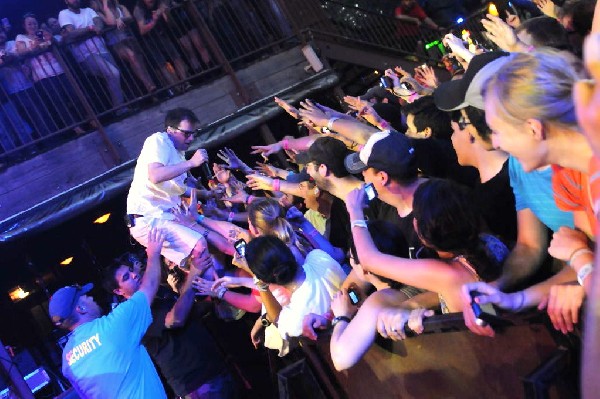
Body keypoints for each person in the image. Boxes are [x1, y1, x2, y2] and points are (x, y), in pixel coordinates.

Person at [49, 228, 167, 398]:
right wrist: (154, 252)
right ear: (80, 309)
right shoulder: (114, 325)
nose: (91, 298)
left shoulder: (67, 364)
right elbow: (150, 286)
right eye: (85, 296)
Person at [102, 250, 236, 398]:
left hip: (215, 367)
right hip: (196, 384)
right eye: (126, 277)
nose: (134, 275)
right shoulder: (136, 314)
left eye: (131, 270)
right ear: (118, 291)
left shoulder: (158, 292)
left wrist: (217, 298)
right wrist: (194, 273)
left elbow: (188, 309)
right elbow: (176, 319)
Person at [127, 107, 214, 267]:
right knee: (200, 243)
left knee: (201, 258)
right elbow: (155, 175)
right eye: (186, 133)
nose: (191, 138)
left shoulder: (178, 153)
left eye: (194, 133)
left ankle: (212, 287)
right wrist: (192, 163)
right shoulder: (159, 141)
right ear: (170, 130)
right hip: (149, 218)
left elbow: (178, 190)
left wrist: (208, 194)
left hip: (160, 216)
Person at [247, 235, 345, 356]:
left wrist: (261, 286)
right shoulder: (318, 257)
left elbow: (277, 319)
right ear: (289, 252)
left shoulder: (294, 319)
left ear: (265, 280)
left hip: (338, 350)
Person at [16, 13, 83, 133]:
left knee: (75, 94)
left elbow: (58, 44)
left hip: (60, 69)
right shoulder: (21, 38)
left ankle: (88, 119)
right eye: (29, 24)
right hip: (42, 75)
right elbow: (21, 53)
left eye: (35, 23)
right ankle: (75, 126)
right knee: (58, 101)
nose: (33, 26)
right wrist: (34, 46)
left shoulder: (43, 32)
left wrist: (51, 38)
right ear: (24, 26)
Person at [58, 0, 127, 114]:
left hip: (101, 48)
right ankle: (120, 109)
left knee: (114, 76)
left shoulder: (88, 10)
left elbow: (99, 24)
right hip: (86, 54)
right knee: (113, 73)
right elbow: (71, 33)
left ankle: (120, 107)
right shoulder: (64, 14)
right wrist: (90, 29)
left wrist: (96, 28)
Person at [89, 0, 157, 94]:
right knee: (131, 56)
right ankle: (149, 85)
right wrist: (105, 6)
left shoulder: (120, 7)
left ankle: (153, 91)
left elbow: (129, 17)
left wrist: (121, 19)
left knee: (140, 63)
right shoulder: (99, 12)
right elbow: (111, 21)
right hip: (116, 43)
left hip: (129, 37)